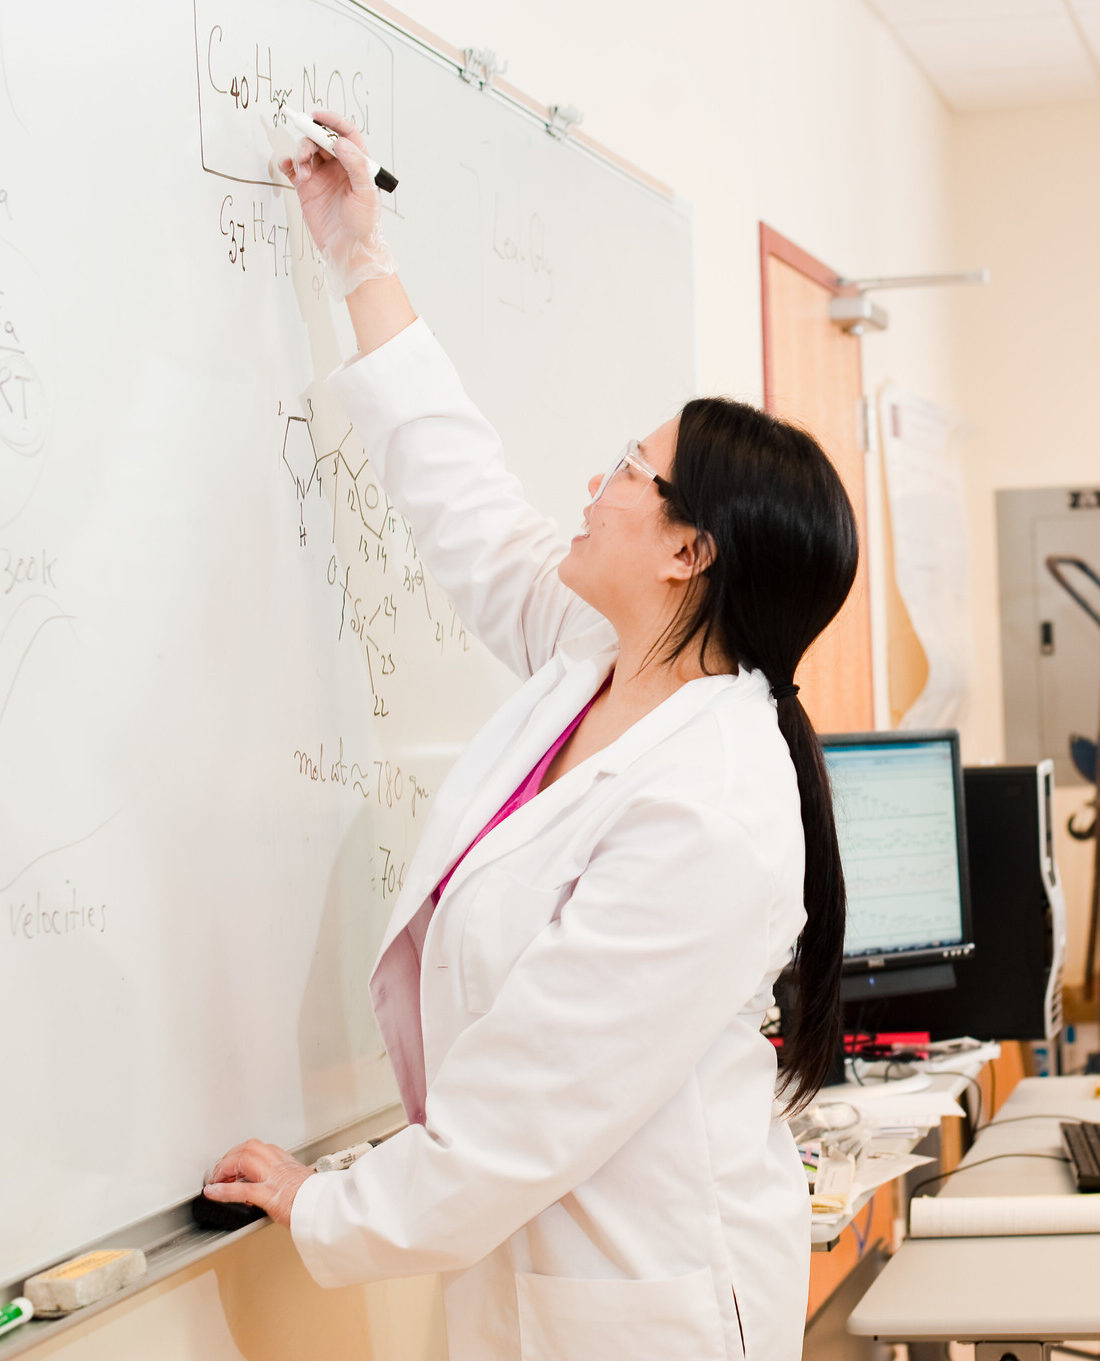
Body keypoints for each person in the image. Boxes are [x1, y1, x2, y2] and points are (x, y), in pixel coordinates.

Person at [204, 109, 859, 1361]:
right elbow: (455, 487)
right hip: (542, 1282)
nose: (594, 479)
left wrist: (325, 1202)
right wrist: (357, 255)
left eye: (627, 466)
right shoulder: (593, 664)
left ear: (686, 548)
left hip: (647, 1309)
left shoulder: (711, 805)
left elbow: (526, 1106)